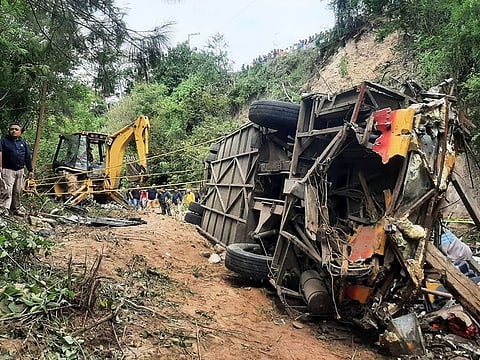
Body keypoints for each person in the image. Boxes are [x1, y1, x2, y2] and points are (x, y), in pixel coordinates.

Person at [0, 124, 34, 215]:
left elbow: (27, 157)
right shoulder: (3, 141)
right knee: (7, 190)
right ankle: (4, 209)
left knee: (18, 191)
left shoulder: (23, 143)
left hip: (20, 170)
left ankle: (15, 208)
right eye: (11, 129)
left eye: (16, 129)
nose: (14, 131)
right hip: (7, 170)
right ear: (9, 131)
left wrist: (30, 170)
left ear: (20, 131)